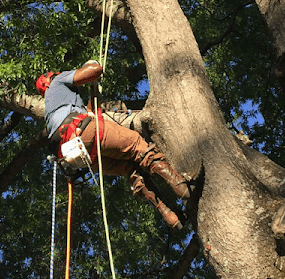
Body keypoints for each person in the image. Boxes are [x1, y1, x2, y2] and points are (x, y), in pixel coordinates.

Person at [36, 61, 189, 230]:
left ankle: (170, 215)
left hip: (76, 154)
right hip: (82, 132)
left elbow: (90, 112)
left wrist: (93, 89)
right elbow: (94, 70)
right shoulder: (58, 81)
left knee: (131, 170)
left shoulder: (54, 107)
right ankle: (182, 188)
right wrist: (92, 65)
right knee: (137, 144)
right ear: (50, 79)